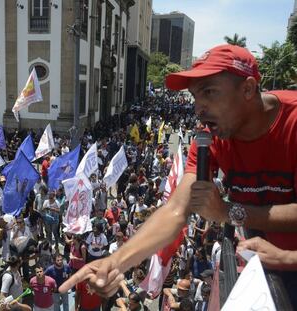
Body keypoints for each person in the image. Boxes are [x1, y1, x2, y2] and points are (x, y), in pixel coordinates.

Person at [59, 44, 297, 308]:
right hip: (260, 270)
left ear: (248, 89)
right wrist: (115, 262)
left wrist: (232, 213)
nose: (198, 108)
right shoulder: (209, 139)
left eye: (209, 92)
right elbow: (175, 210)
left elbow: (226, 212)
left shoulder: (293, 122)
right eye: (196, 96)